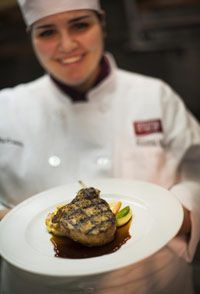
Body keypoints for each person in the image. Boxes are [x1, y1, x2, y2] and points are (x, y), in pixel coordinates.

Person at [0, 0, 200, 293]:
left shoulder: (154, 95)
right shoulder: (6, 107)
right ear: (31, 36)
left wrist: (179, 214)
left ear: (102, 23)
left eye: (80, 25)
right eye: (47, 32)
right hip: (35, 285)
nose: (66, 45)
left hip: (149, 279)